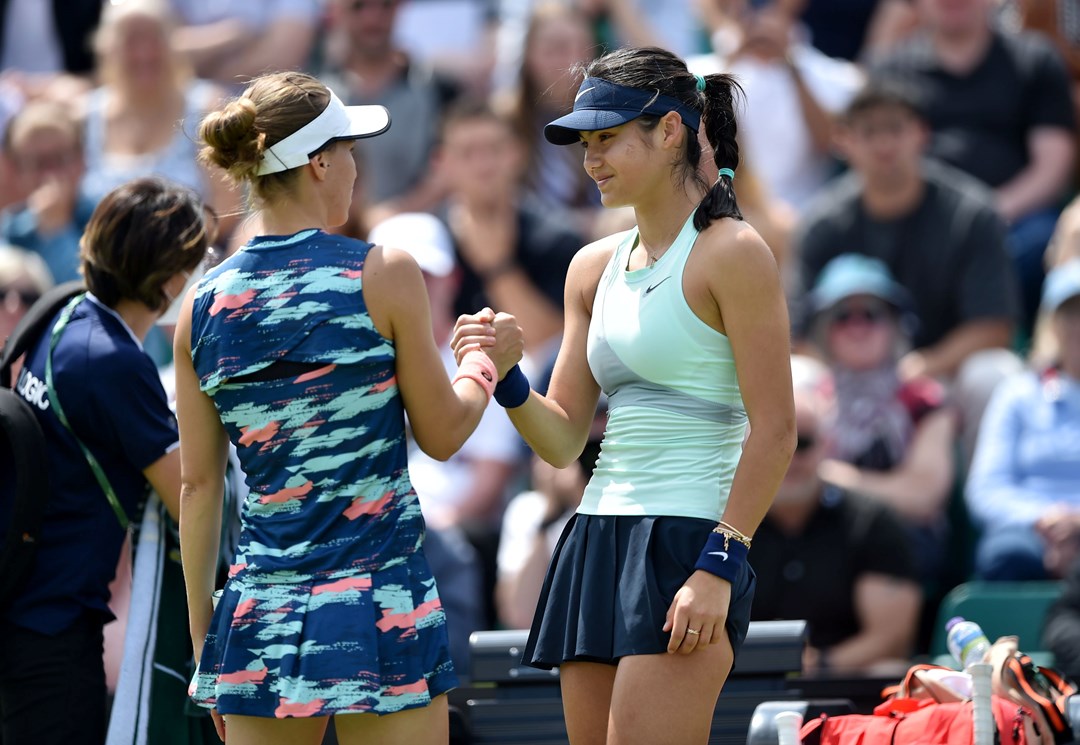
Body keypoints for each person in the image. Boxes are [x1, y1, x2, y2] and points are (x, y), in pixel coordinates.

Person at [454, 46, 797, 744]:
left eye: (607, 137)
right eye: (585, 143)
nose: (592, 158)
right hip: (596, 537)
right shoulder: (589, 267)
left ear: (671, 131)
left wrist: (721, 561)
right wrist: (512, 376)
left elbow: (777, 429)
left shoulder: (735, 252)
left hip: (691, 540)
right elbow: (561, 439)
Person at [175, 70, 523, 745]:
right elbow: (445, 433)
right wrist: (485, 364)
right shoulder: (384, 271)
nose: (357, 169)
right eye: (350, 151)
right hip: (381, 598)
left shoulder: (201, 306)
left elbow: (197, 486)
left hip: (259, 613)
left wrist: (205, 645)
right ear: (319, 162)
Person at [0, 177, 211, 745]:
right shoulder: (113, 361)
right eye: (199, 260)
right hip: (50, 628)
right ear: (172, 280)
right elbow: (191, 493)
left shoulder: (64, 311)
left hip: (28, 608)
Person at [793, 80, 1021, 461]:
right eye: (869, 132)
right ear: (844, 141)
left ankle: (982, 508)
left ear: (921, 134)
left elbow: (994, 326)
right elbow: (796, 334)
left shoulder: (971, 214)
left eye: (895, 128)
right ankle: (811, 509)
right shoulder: (821, 223)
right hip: (843, 378)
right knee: (796, 375)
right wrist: (854, 375)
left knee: (993, 373)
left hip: (941, 370)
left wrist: (922, 365)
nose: (884, 145)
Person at [871, 0, 1076, 329]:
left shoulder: (1036, 59)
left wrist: (987, 212)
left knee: (1043, 241)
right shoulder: (891, 70)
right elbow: (877, 164)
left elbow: (1052, 167)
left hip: (1016, 223)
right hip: (916, 221)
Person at [750, 355, 923, 674]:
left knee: (888, 670)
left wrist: (820, 664)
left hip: (844, 679)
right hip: (744, 678)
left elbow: (892, 638)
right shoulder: (728, 525)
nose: (790, 459)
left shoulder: (871, 520)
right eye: (776, 445)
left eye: (803, 443)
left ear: (827, 446)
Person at [805, 254, 956, 585]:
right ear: (824, 330)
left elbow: (923, 497)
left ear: (895, 325)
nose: (857, 327)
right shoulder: (809, 399)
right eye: (843, 316)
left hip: (905, 545)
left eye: (871, 314)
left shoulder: (924, 399)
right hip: (824, 543)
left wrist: (837, 478)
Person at [438, 100, 583, 362]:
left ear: (517, 153)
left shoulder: (558, 237)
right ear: (444, 162)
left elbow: (553, 348)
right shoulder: (426, 242)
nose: (484, 165)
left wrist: (498, 267)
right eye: (467, 152)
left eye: (494, 149)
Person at [965, 258, 1080, 581]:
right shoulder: (1017, 395)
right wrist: (1044, 520)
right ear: (1052, 323)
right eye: (1070, 313)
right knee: (1006, 556)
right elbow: (986, 490)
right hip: (1030, 531)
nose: (1079, 326)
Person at [0, 98, 96, 283]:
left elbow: (88, 298)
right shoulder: (10, 231)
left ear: (82, 158)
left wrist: (55, 229)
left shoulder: (110, 221)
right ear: (16, 170)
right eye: (37, 162)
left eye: (60, 158)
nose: (50, 174)